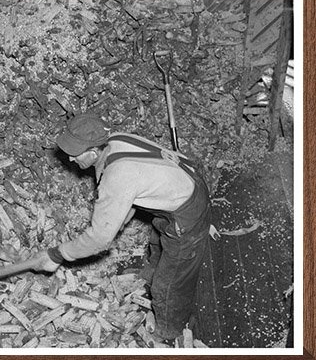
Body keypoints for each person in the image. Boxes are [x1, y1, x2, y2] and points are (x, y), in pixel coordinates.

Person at [35, 112, 213, 345]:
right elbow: (130, 195)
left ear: (92, 152)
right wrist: (117, 221)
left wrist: (57, 254)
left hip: (189, 209)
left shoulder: (117, 176)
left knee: (169, 285)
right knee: (159, 237)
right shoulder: (115, 140)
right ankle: (150, 274)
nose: (69, 160)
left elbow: (99, 240)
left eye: (74, 155)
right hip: (181, 184)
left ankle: (169, 331)